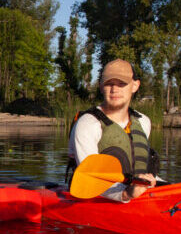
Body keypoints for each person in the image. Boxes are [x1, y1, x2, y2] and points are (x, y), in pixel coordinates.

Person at [66, 58, 159, 202]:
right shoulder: (87, 124)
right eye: (109, 83)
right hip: (99, 200)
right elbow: (91, 179)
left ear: (135, 85)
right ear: (101, 86)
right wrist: (126, 194)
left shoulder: (143, 121)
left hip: (139, 196)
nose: (114, 90)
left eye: (122, 84)